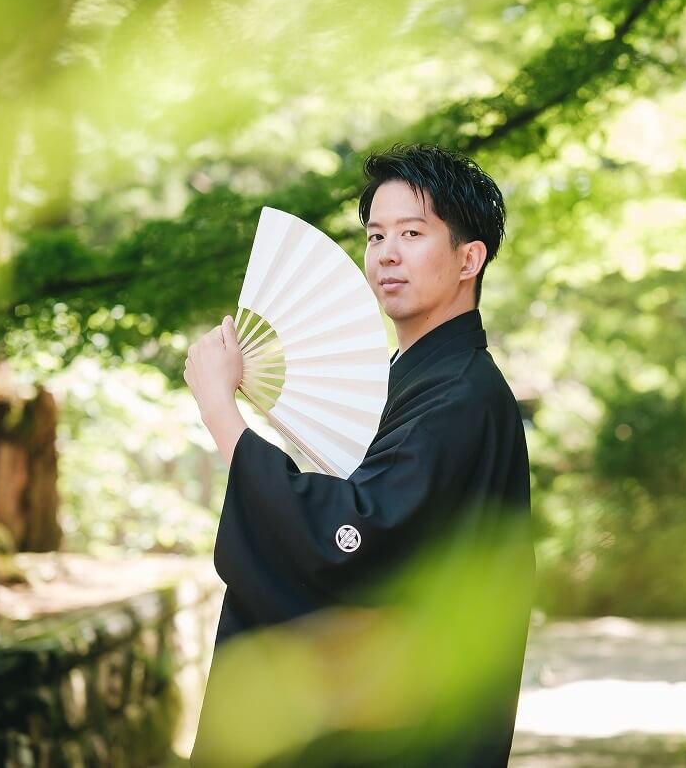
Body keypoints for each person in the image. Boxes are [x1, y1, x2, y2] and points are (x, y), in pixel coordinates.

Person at [184, 143, 534, 767]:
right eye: (375, 236)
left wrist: (221, 410)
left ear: (468, 258)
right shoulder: (418, 377)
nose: (386, 254)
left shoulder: (459, 394)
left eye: (412, 232)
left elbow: (353, 537)